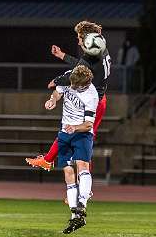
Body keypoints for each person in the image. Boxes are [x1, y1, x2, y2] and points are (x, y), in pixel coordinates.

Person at [26, 20, 111, 171]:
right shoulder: (99, 47)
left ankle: (83, 189)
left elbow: (75, 74)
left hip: (92, 101)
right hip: (96, 99)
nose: (78, 42)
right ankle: (49, 160)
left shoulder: (91, 55)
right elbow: (82, 64)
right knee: (71, 133)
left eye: (79, 38)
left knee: (83, 139)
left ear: (87, 38)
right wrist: (62, 55)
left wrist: (56, 80)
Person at [43, 65, 98, 234]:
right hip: (65, 133)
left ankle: (83, 202)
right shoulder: (71, 77)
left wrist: (74, 128)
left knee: (82, 166)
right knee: (68, 172)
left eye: (76, 86)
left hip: (82, 134)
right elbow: (58, 91)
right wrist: (53, 99)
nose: (72, 87)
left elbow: (88, 124)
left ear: (86, 84)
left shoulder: (91, 95)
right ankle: (76, 216)